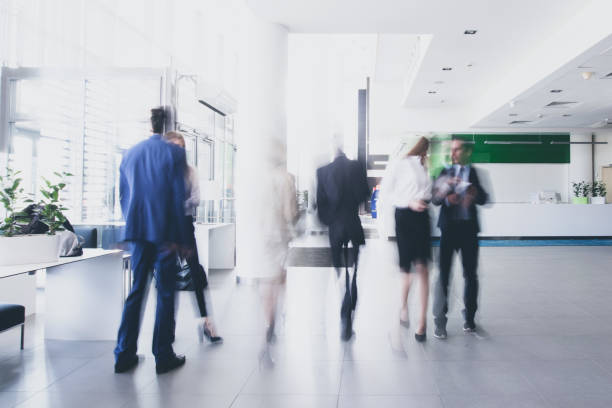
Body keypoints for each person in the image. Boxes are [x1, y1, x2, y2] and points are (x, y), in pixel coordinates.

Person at [114, 107, 188, 375]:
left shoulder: (130, 153)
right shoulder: (175, 153)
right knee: (166, 294)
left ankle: (124, 354)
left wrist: (133, 227)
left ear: (150, 124)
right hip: (165, 234)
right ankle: (163, 355)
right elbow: (178, 196)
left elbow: (124, 196)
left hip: (137, 232)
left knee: (136, 292)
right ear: (169, 125)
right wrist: (181, 238)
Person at [163, 131, 223, 344]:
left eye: (180, 146)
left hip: (185, 227)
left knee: (196, 274)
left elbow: (196, 199)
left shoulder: (190, 171)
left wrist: (174, 206)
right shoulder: (160, 172)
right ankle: (167, 329)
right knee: (167, 279)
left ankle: (207, 323)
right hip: (166, 229)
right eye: (173, 146)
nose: (177, 150)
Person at [431, 138, 488, 339]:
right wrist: (446, 197)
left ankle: (470, 319)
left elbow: (485, 199)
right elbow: (435, 199)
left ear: (466, 152)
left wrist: (474, 193)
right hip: (448, 231)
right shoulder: (443, 173)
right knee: (443, 276)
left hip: (469, 232)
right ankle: (440, 322)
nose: (453, 153)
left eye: (456, 150)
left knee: (470, 276)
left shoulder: (475, 174)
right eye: (452, 150)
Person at [316, 140, 370, 341]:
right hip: (353, 224)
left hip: (335, 228)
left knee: (339, 271)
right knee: (354, 270)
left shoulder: (323, 171)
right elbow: (364, 193)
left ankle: (344, 306)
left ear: (333, 151)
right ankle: (349, 308)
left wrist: (331, 221)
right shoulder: (356, 167)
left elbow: (320, 204)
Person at [380, 137, 432, 342]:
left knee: (423, 269)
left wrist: (427, 198)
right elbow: (386, 193)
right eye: (427, 149)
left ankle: (422, 322)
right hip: (405, 217)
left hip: (423, 217)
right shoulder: (400, 164)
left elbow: (426, 191)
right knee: (407, 271)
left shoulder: (424, 167)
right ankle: (403, 307)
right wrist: (410, 202)